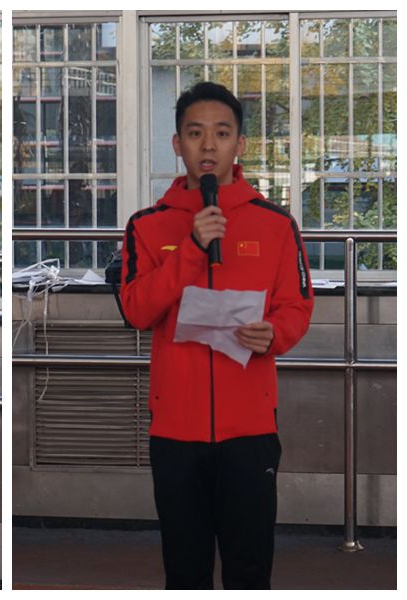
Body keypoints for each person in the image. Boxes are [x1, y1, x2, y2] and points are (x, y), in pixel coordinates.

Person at [119, 81, 314, 589]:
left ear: (240, 144)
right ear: (177, 144)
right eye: (195, 133)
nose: (208, 145)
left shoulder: (276, 224)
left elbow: (297, 305)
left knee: (250, 569)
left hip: (250, 428)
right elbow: (137, 309)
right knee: (185, 571)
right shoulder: (146, 226)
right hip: (175, 431)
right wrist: (190, 249)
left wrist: (274, 333)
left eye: (222, 133)